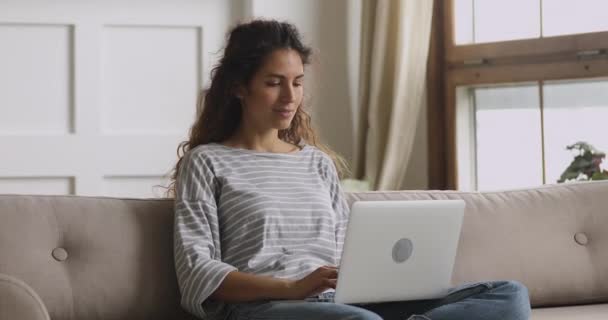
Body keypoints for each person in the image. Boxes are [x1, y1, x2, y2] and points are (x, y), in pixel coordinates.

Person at [169, 19, 531, 320]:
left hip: (341, 304)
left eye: (297, 82)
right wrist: (293, 287)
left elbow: (349, 251)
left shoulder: (316, 163)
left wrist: (378, 281)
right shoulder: (207, 162)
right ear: (237, 87)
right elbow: (197, 271)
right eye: (273, 83)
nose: (290, 97)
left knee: (508, 296)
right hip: (265, 308)